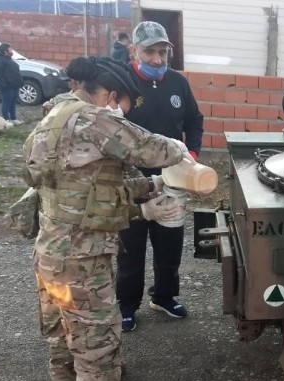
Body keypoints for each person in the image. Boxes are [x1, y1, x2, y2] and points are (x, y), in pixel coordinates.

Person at [24, 55, 195, 381]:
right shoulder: (94, 119)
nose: (121, 112)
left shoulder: (50, 119)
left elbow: (83, 189)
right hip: (83, 266)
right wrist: (182, 154)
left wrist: (146, 191)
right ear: (112, 96)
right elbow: (152, 147)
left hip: (50, 258)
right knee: (97, 355)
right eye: (123, 105)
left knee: (63, 348)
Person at [116, 20, 204, 332]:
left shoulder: (177, 83)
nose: (157, 59)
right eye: (149, 51)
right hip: (132, 182)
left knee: (169, 246)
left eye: (162, 52)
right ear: (134, 51)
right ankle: (126, 305)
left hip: (172, 181)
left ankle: (164, 297)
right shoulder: (123, 82)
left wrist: (191, 156)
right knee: (130, 251)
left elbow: (194, 119)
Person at [0, 43, 23, 125]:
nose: (11, 51)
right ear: (5, 51)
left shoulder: (10, 59)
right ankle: (6, 119)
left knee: (12, 103)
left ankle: (13, 118)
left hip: (14, 85)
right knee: (6, 103)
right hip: (7, 86)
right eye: (10, 49)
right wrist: (3, 85)